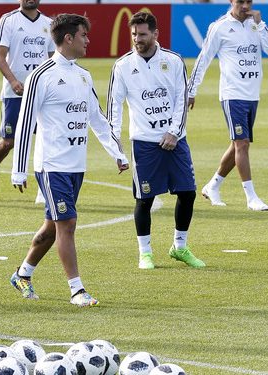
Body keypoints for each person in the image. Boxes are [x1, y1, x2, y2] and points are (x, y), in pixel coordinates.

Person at [9, 13, 129, 307]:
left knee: (53, 226)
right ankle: (76, 289)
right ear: (68, 38)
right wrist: (19, 170)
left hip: (76, 165)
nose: (88, 41)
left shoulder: (83, 75)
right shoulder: (41, 76)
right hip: (52, 165)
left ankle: (22, 274)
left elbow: (97, 119)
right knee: (68, 222)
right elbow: (25, 124)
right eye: (84, 36)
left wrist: (117, 153)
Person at [107, 12, 205, 270]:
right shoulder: (123, 66)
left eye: (142, 34)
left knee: (187, 193)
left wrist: (174, 132)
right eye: (134, 35)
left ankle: (180, 247)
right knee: (144, 200)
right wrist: (114, 145)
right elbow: (114, 107)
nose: (137, 39)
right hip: (144, 143)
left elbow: (182, 100)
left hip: (176, 140)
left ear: (155, 34)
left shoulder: (173, 61)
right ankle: (145, 253)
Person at [187, 0, 268, 211]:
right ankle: (251, 198)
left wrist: (261, 24)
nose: (245, 6)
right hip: (232, 94)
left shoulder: (255, 24)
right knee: (242, 144)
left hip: (252, 94)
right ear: (231, 2)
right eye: (241, 1)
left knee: (238, 144)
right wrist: (192, 90)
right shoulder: (219, 27)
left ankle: (212, 186)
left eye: (249, 1)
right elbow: (204, 59)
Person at [0, 0, 55, 203]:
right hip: (14, 92)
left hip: (41, 93)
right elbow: (0, 57)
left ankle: (43, 188)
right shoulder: (8, 20)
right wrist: (13, 81)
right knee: (8, 141)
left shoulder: (48, 23)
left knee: (44, 139)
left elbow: (52, 59)